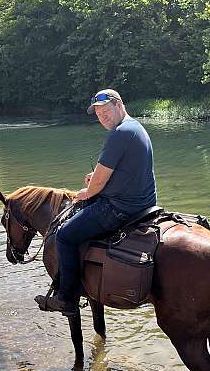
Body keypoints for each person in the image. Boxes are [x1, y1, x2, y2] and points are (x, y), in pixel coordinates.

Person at [35, 88, 156, 316]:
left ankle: (66, 298)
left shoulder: (120, 133)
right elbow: (125, 172)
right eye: (98, 114)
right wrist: (98, 181)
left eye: (106, 111)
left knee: (65, 235)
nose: (102, 117)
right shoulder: (136, 128)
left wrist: (86, 192)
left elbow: (97, 184)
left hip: (121, 208)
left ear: (119, 105)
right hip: (142, 202)